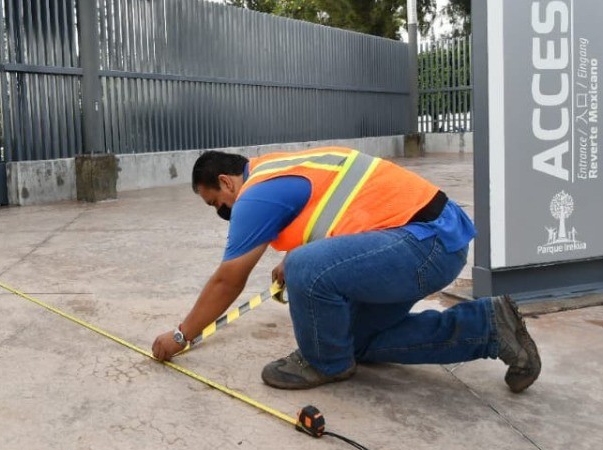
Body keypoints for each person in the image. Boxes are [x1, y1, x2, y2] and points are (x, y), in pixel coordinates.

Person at [150, 148, 541, 394]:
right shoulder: (276, 168)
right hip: (433, 240)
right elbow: (338, 212)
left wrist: (182, 335)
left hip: (424, 243)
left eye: (217, 203)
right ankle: (489, 326)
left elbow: (227, 279)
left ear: (226, 182)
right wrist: (297, 258)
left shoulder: (253, 196)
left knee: (307, 269)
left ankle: (323, 362)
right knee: (351, 338)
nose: (223, 213)